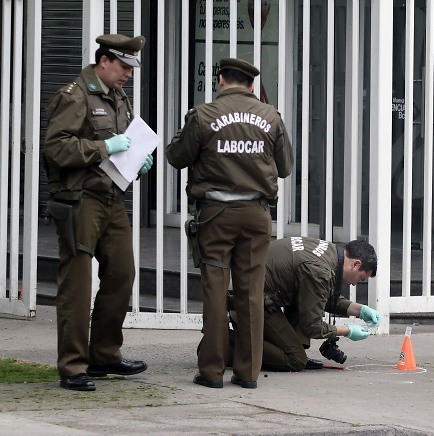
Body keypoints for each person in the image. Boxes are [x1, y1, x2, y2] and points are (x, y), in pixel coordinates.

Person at [166, 58, 294, 389]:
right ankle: (248, 373)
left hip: (216, 216)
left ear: (221, 80)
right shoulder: (271, 117)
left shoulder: (203, 116)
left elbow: (175, 156)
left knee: (215, 291)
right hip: (256, 215)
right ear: (252, 85)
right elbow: (285, 167)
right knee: (251, 293)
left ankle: (211, 371)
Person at [44, 34, 153, 392]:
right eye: (123, 67)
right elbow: (56, 148)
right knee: (77, 283)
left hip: (111, 198)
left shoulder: (118, 97)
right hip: (80, 199)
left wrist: (137, 160)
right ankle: (73, 366)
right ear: (103, 60)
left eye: (131, 69)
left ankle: (104, 355)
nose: (128, 75)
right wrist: (103, 146)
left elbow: (125, 146)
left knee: (123, 273)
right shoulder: (75, 95)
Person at [221, 237, 380, 372]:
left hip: (248, 286)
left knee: (305, 301)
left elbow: (319, 296)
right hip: (248, 298)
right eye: (361, 279)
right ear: (355, 264)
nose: (356, 284)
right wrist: (348, 331)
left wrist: (360, 310)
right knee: (295, 359)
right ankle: (221, 345)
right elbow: (312, 326)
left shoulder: (327, 252)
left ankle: (284, 344)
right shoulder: (319, 270)